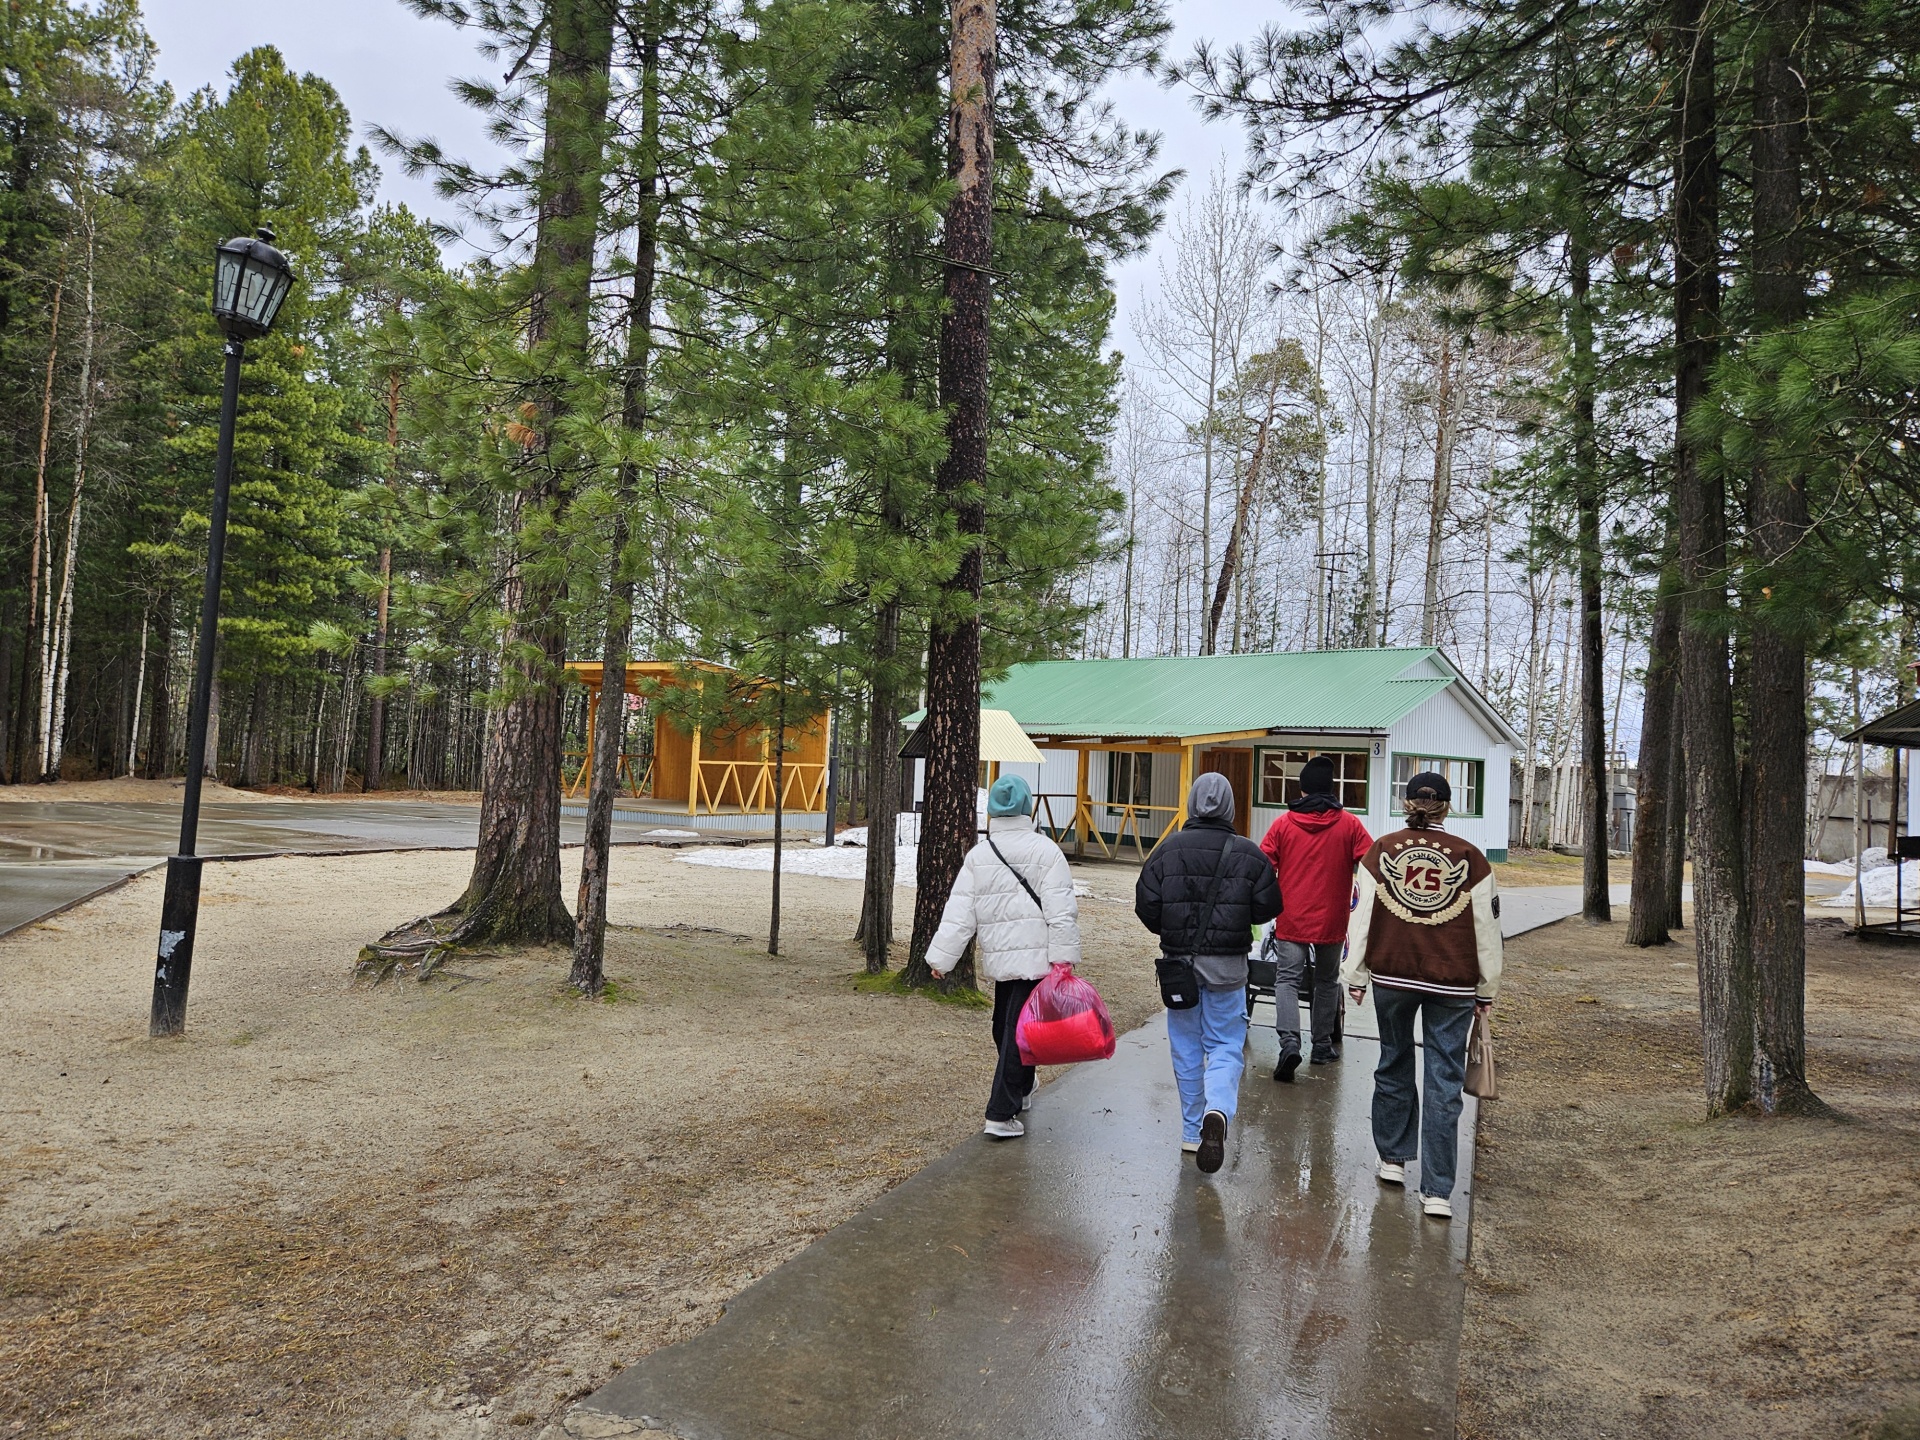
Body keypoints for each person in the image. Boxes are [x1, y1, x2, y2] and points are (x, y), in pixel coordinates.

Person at [1341, 770, 1503, 1220]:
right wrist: (1487, 987)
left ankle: (1392, 1159)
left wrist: (1354, 975)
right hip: (1452, 981)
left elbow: (1361, 916)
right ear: (1448, 807)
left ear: (1406, 802)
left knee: (1393, 1061)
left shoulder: (1381, 851)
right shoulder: (1472, 859)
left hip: (1392, 976)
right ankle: (1437, 1190)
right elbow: (1487, 930)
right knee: (1444, 1078)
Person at [1135, 772, 1282, 1174]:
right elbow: (1268, 908)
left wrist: (1172, 930)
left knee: (1186, 1047)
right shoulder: (1249, 854)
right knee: (1224, 1045)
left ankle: (1189, 1131)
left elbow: (1146, 905)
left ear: (1192, 802)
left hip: (1179, 968)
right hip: (1228, 968)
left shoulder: (1167, 850)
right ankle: (1217, 1111)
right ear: (1231, 807)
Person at [926, 773, 1082, 1140]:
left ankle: (1003, 1108)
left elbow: (958, 913)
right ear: (1029, 809)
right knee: (1011, 1031)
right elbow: (1062, 912)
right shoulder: (1047, 851)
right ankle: (1013, 1100)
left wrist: (940, 958)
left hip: (1005, 961)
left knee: (1010, 1031)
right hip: (1038, 958)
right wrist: (1063, 957)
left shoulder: (980, 855)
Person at [1257, 754, 1372, 1081]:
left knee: (1287, 980)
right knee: (1325, 982)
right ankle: (1321, 1045)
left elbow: (1264, 865)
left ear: (1303, 789)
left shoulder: (1283, 824)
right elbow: (1372, 861)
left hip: (1291, 918)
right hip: (1332, 922)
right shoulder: (1350, 825)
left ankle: (1289, 1042)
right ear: (1331, 790)